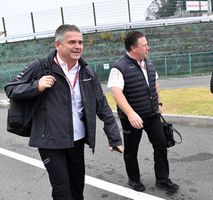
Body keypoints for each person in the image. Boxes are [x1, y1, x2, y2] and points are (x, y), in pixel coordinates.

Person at [5, 24, 124, 200]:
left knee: (77, 190)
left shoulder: (87, 71)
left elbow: (102, 106)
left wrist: (114, 137)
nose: (78, 46)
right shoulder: (40, 67)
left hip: (76, 141)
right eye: (72, 42)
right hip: (50, 142)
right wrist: (36, 86)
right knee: (62, 192)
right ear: (57, 45)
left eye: (80, 42)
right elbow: (10, 88)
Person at [107, 31, 179, 192]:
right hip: (132, 118)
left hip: (152, 115)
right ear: (133, 48)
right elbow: (116, 92)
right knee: (131, 150)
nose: (148, 48)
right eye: (144, 45)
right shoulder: (119, 67)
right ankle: (134, 179)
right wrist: (131, 114)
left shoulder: (149, 62)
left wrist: (159, 102)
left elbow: (154, 83)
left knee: (161, 145)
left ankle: (162, 179)